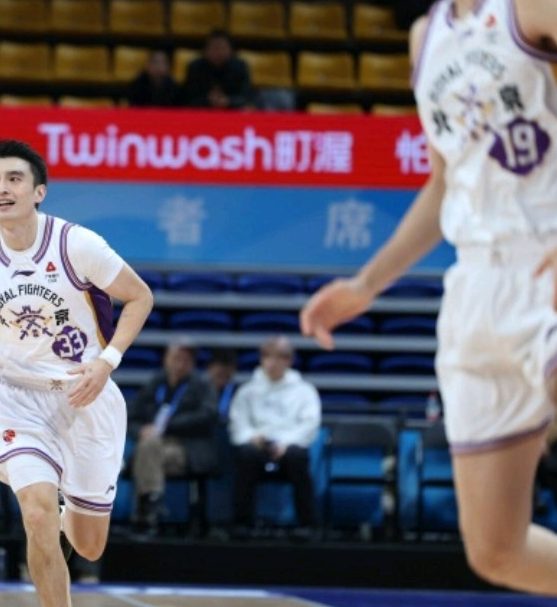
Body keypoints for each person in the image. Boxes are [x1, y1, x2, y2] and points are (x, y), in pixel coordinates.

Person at [301, 0, 557, 593]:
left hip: (543, 257)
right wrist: (367, 283)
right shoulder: (427, 33)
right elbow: (445, 181)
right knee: (496, 551)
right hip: (474, 288)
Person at [0, 139, 153, 607]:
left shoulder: (76, 244)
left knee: (89, 545)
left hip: (85, 395)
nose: (1, 189)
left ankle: (71, 505)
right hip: (18, 399)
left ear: (39, 191)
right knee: (37, 515)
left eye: (14, 178)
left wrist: (107, 362)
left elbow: (140, 296)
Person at [227, 336, 320, 534]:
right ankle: (241, 523)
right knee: (246, 454)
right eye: (267, 357)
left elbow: (310, 424)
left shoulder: (304, 391)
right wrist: (253, 437)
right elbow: (238, 422)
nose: (272, 363)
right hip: (258, 447)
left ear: (289, 360)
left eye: (278, 357)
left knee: (297, 456)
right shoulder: (247, 391)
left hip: (288, 448)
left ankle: (307, 524)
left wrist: (285, 443)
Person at [126, 341, 219, 535]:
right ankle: (152, 504)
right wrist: (141, 430)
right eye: (175, 358)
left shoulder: (202, 386)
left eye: (185, 360)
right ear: (166, 360)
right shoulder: (155, 384)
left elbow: (209, 416)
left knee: (146, 451)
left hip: (185, 447)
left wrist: (167, 426)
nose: (179, 364)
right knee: (149, 445)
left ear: (192, 363)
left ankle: (146, 509)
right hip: (154, 445)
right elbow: (131, 417)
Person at [180, 30, 251, 109]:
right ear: (205, 51)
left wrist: (228, 101)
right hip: (202, 111)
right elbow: (188, 98)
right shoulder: (195, 68)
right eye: (214, 48)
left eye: (222, 48)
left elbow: (245, 97)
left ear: (230, 50)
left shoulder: (239, 67)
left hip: (231, 111)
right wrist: (207, 100)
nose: (218, 52)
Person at [206, 348, 238, 420]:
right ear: (209, 368)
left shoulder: (238, 392)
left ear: (233, 370)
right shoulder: (199, 392)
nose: (223, 369)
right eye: (219, 375)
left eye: (224, 375)